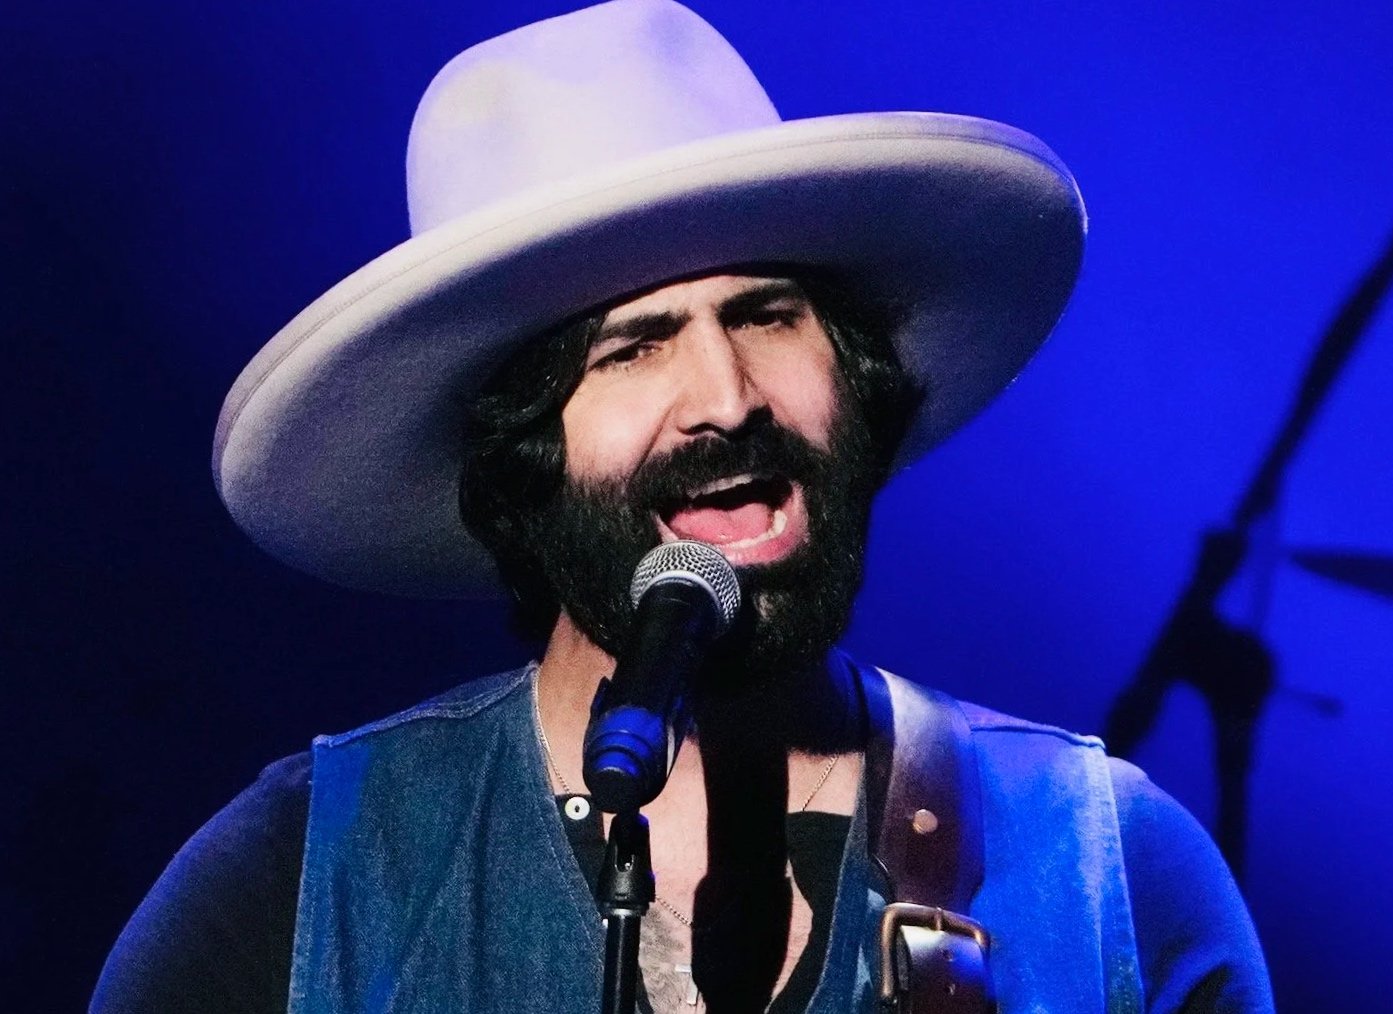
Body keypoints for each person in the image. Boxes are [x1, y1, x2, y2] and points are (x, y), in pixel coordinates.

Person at [93, 2, 1273, 1011]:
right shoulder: (307, 878)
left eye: (767, 316)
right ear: (520, 457)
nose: (726, 398)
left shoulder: (1110, 873)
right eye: (633, 347)